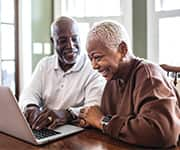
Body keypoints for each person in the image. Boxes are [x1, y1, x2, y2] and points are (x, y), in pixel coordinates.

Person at [79, 20, 180, 148]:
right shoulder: (113, 80)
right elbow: (108, 120)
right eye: (90, 59)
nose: (93, 66)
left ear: (122, 49)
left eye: (98, 57)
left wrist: (101, 121)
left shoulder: (149, 76)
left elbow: (163, 133)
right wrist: (91, 120)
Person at [19, 16, 105, 130]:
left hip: (77, 132)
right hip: (45, 129)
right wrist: (31, 107)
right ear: (53, 41)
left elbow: (94, 109)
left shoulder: (93, 68)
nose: (70, 46)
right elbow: (29, 94)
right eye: (63, 40)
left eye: (74, 39)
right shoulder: (45, 65)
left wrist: (67, 113)